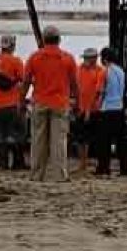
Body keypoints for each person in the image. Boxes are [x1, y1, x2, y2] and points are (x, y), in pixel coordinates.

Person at [21, 25, 78, 182]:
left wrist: (21, 101)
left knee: (38, 140)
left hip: (40, 102)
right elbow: (74, 84)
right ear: (59, 40)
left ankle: (37, 174)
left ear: (43, 40)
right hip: (60, 103)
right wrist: (77, 102)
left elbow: (26, 82)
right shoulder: (68, 58)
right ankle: (59, 175)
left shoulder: (34, 57)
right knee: (59, 141)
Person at [0, 34, 26, 170]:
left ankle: (2, 163)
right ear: (13, 46)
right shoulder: (16, 61)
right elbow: (24, 81)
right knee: (17, 133)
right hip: (11, 104)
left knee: (0, 133)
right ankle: (17, 162)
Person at [94, 47, 127, 176]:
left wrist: (97, 107)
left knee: (104, 141)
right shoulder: (121, 71)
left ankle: (103, 167)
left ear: (104, 58)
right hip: (119, 108)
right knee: (121, 141)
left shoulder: (105, 71)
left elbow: (101, 92)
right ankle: (125, 168)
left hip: (107, 109)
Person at [74, 47, 105, 174]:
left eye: (88, 58)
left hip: (94, 109)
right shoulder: (78, 69)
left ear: (94, 59)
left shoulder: (99, 71)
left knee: (95, 137)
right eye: (85, 58)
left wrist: (88, 110)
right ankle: (82, 163)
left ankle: (95, 163)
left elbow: (97, 93)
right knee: (80, 138)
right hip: (80, 107)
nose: (85, 61)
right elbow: (75, 88)